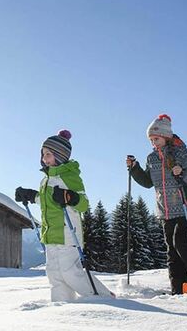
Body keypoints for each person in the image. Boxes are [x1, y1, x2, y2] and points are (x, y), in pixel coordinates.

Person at [15, 129, 114, 301]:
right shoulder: (45, 180)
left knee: (70, 272)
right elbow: (47, 202)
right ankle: (62, 305)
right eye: (43, 154)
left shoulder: (70, 177)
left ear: (60, 155)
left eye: (48, 154)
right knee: (54, 273)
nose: (44, 158)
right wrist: (31, 195)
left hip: (68, 233)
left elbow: (83, 204)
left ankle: (103, 296)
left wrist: (70, 196)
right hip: (50, 233)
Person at [126, 114, 187, 294]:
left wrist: (181, 172)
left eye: (156, 138)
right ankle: (179, 288)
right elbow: (148, 182)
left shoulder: (182, 153)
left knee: (181, 243)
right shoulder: (152, 158)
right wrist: (134, 169)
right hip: (164, 210)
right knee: (172, 250)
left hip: (184, 207)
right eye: (151, 139)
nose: (153, 142)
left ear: (166, 136)